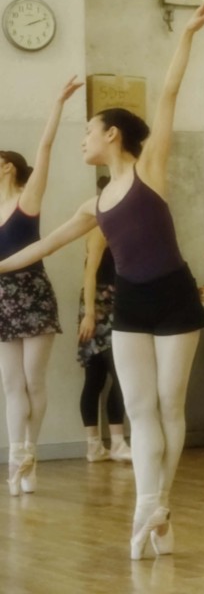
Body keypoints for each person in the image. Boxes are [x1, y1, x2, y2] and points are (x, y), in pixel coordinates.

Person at [0, 0, 204, 559]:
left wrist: (186, 35)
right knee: (140, 409)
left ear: (113, 135)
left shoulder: (151, 170)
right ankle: (149, 508)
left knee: (169, 407)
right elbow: (42, 246)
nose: (84, 140)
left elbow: (168, 94)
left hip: (175, 298)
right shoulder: (94, 204)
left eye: (89, 132)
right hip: (131, 304)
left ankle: (159, 505)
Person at [1, 77, 82, 496]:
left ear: (7, 166)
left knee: (34, 381)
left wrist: (57, 104)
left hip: (32, 293)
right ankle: (17, 459)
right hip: (1, 298)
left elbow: (45, 149)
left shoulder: (27, 199)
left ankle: (30, 456)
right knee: (11, 384)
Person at [78, 176, 131, 463]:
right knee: (101, 376)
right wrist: (89, 314)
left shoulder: (123, 227)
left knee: (110, 374)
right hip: (98, 304)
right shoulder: (99, 229)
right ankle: (102, 445)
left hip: (118, 302)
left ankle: (109, 444)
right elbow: (89, 274)